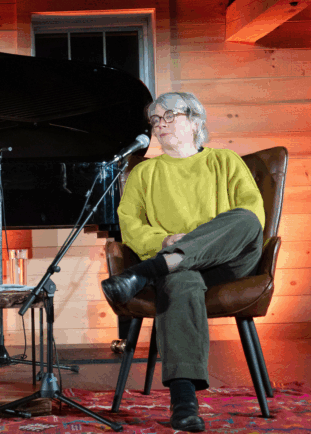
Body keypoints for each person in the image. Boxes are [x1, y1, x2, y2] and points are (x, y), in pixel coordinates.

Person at [101, 92, 265, 432]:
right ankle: (184, 402)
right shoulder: (144, 173)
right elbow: (130, 225)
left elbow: (253, 215)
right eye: (155, 120)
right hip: (181, 269)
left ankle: (150, 270)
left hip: (230, 265)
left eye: (168, 116)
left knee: (246, 220)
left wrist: (184, 244)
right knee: (179, 277)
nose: (160, 125)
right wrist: (161, 242)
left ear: (195, 120)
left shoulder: (225, 161)